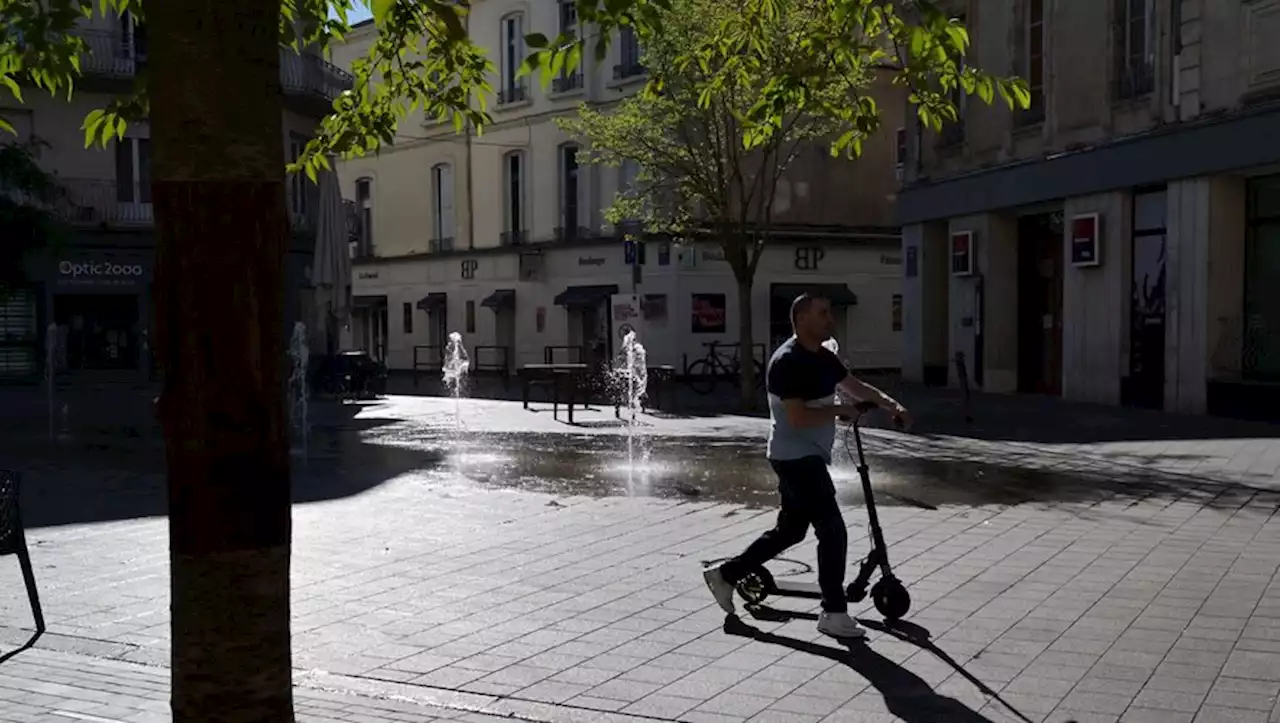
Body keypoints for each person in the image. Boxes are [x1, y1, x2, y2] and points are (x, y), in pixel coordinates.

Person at [702, 293, 912, 639]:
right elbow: (798, 417)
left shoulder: (824, 358)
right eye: (823, 313)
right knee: (832, 529)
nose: (830, 318)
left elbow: (853, 385)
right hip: (794, 456)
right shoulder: (787, 362)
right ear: (801, 319)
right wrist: (839, 411)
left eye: (829, 312)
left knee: (791, 531)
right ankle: (833, 611)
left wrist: (893, 406)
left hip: (806, 455)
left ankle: (726, 575)